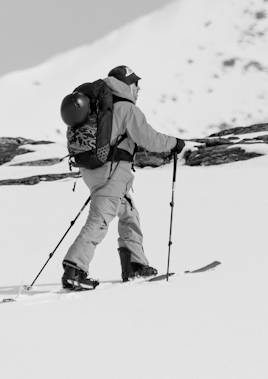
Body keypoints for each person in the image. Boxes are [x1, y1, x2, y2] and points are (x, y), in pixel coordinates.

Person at [62, 65, 186, 291]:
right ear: (127, 85)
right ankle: (74, 268)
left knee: (129, 214)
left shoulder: (100, 107)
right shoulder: (126, 108)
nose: (138, 89)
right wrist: (174, 143)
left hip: (95, 170)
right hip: (112, 172)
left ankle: (135, 265)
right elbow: (149, 139)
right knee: (100, 219)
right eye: (136, 84)